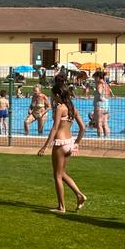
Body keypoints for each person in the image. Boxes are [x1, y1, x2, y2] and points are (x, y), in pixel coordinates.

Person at [37, 76, 87, 213]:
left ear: (58, 95)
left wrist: (44, 146)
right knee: (62, 173)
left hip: (60, 143)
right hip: (70, 143)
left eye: (53, 95)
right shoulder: (72, 108)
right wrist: (76, 143)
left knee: (57, 176)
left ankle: (61, 207)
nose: (52, 97)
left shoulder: (60, 108)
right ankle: (80, 195)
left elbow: (54, 129)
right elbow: (83, 128)